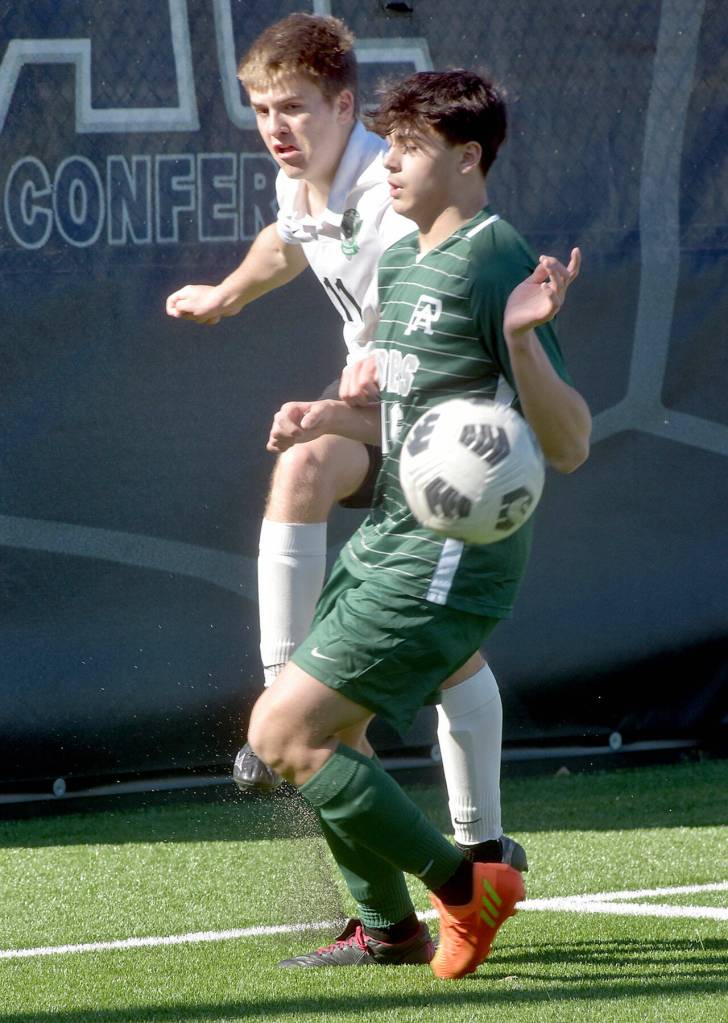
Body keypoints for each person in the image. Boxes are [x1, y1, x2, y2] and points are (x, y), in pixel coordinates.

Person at [246, 69, 591, 976]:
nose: (388, 165)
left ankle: (463, 883)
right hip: (391, 536)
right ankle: (389, 926)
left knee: (284, 734)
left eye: (410, 149)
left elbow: (570, 443)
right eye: (389, 145)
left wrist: (524, 343)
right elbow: (408, 425)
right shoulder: (398, 257)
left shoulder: (495, 258)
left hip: (450, 558)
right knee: (324, 737)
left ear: (469, 159)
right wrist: (328, 419)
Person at [166, 13, 526, 874]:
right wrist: (226, 295)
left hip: (452, 430)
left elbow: (440, 288)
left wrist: (375, 367)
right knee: (435, 637)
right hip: (391, 419)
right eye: (259, 111)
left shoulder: (388, 192)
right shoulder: (306, 186)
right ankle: (471, 841)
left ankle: (470, 841)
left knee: (317, 478)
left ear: (344, 105)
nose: (276, 130)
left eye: (293, 108)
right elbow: (287, 242)